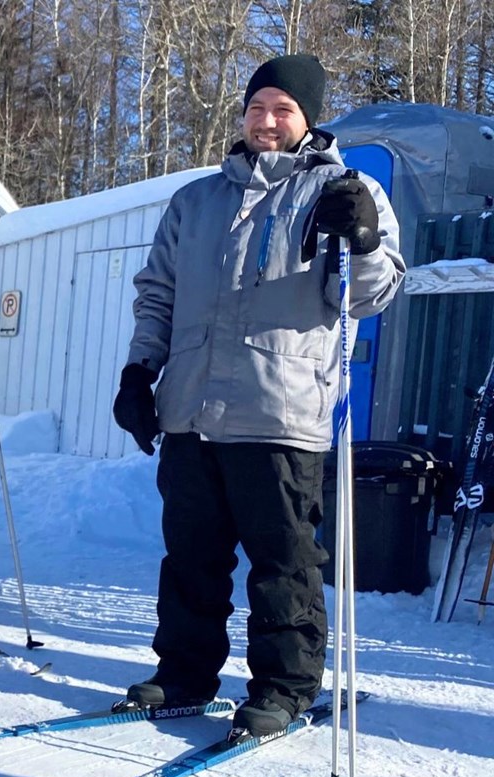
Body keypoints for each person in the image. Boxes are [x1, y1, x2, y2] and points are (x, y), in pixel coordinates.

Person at [113, 54, 404, 737]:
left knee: (284, 565)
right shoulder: (197, 200)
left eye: (284, 110)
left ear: (307, 119)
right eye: (257, 107)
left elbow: (371, 293)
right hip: (191, 410)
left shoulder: (342, 189)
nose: (267, 121)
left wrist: (359, 240)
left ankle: (282, 687)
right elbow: (157, 294)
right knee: (190, 559)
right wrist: (138, 373)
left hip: (279, 412)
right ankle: (184, 674)